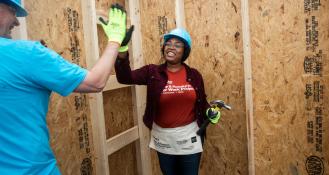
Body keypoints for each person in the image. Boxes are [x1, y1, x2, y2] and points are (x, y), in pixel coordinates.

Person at [0, 1, 131, 174]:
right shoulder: (28, 53)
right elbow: (95, 82)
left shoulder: (26, 55)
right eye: (12, 10)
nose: (17, 22)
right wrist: (115, 40)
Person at [115, 28, 220, 175]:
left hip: (189, 136)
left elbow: (202, 102)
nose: (171, 47)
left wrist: (209, 111)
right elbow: (124, 77)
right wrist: (122, 49)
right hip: (163, 138)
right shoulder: (152, 72)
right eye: (168, 43)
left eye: (177, 45)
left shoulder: (194, 75)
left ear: (185, 51)